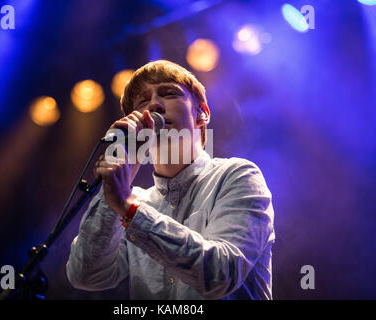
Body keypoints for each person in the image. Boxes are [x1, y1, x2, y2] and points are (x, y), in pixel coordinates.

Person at [66, 60, 275, 300]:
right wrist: (115, 183)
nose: (154, 104)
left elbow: (221, 274)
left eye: (169, 93)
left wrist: (128, 208)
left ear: (203, 114)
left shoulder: (238, 176)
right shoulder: (133, 200)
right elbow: (86, 276)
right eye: (143, 101)